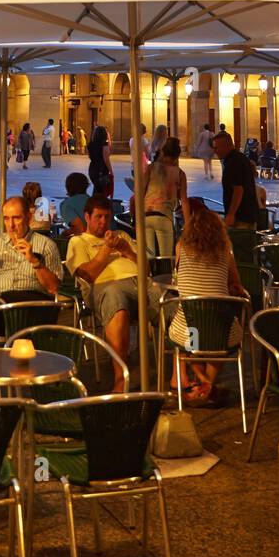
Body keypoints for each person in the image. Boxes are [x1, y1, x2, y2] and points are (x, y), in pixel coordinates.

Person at [66, 194, 162, 392]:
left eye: (107, 217)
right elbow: (88, 275)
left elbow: (147, 270)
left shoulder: (123, 236)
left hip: (142, 283)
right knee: (116, 300)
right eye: (98, 217)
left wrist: (128, 251)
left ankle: (188, 369)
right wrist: (105, 250)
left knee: (173, 306)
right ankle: (121, 379)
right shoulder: (78, 242)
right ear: (87, 217)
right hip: (106, 286)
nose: (103, 222)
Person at [169, 198, 247, 403]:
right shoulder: (225, 253)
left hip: (188, 333)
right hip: (222, 333)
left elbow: (178, 276)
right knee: (216, 332)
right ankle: (207, 384)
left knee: (190, 333)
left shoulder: (181, 248)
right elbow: (236, 284)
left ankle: (203, 384)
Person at [0, 196, 63, 343]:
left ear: (29, 218)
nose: (10, 225)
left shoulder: (46, 245)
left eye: (16, 218)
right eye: (6, 219)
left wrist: (34, 261)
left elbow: (53, 287)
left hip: (33, 305)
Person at [141, 136, 190, 259]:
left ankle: (148, 277)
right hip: (164, 217)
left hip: (146, 215)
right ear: (177, 155)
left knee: (148, 257)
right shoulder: (180, 173)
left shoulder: (151, 168)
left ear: (163, 152)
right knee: (166, 258)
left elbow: (140, 191)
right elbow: (184, 200)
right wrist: (188, 223)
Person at [212, 131, 260, 230]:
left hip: (240, 217)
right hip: (249, 214)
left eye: (216, 147)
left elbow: (238, 190)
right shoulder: (241, 158)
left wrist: (231, 214)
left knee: (238, 243)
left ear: (225, 146)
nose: (214, 151)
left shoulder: (232, 163)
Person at [87, 124, 114, 198]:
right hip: (101, 170)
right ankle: (96, 205)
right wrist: (111, 171)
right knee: (100, 191)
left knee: (97, 188)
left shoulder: (90, 144)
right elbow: (106, 159)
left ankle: (94, 203)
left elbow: (90, 156)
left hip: (92, 169)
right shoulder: (104, 145)